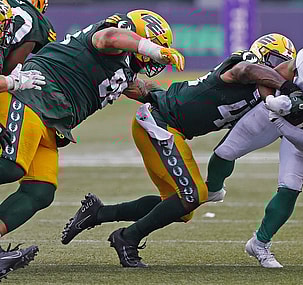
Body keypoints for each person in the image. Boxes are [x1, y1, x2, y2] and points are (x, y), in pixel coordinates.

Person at [60, 34, 302, 268]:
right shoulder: (243, 67)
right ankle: (127, 238)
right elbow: (247, 71)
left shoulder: (263, 93)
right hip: (159, 123)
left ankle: (98, 213)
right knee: (191, 195)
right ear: (261, 56)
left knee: (181, 207)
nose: (277, 70)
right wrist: (286, 85)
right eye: (275, 63)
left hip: (170, 126)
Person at [0, 9, 184, 278]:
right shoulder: (105, 38)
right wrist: (152, 49)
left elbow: (144, 90)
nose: (156, 53)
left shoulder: (123, 71)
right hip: (29, 99)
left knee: (39, 191)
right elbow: (110, 37)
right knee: (10, 167)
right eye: (153, 44)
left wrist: (186, 99)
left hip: (52, 122)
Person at [206, 44, 303, 268]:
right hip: (280, 106)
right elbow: (267, 77)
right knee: (225, 151)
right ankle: (212, 190)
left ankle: (259, 244)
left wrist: (277, 120)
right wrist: (271, 101)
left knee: (291, 186)